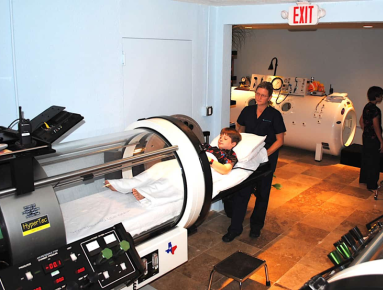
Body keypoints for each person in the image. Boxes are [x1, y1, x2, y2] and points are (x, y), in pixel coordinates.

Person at [222, 81, 286, 242]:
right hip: (249, 159)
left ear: (270, 97)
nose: (259, 97)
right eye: (257, 94)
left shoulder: (274, 115)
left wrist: (265, 154)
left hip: (266, 159)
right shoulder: (247, 110)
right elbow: (239, 129)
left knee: (263, 193)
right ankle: (235, 228)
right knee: (243, 191)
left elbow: (280, 140)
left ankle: (256, 226)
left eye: (263, 95)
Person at [105, 127, 241, 201]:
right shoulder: (208, 146)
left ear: (233, 144)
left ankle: (146, 193)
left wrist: (208, 160)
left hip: (205, 167)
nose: (221, 139)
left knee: (174, 177)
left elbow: (225, 170)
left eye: (225, 138)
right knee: (159, 168)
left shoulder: (230, 156)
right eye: (221, 137)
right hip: (191, 161)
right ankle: (123, 185)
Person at [359, 86, 383, 197]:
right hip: (373, 139)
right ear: (376, 97)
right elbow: (376, 126)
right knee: (374, 161)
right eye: (381, 95)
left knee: (366, 158)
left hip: (366, 137)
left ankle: (363, 179)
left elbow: (361, 120)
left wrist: (366, 130)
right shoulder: (375, 110)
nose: (382, 97)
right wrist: (381, 141)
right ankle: (372, 184)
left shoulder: (367, 107)